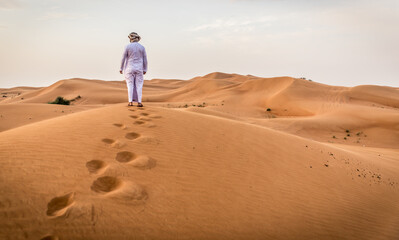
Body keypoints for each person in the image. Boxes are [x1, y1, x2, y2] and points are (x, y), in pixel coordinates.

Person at [120, 32, 148, 107]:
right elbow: (145, 59)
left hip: (129, 68)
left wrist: (121, 68)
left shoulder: (127, 46)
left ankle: (130, 102)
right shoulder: (142, 47)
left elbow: (123, 58)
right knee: (139, 85)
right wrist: (145, 69)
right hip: (139, 68)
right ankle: (139, 102)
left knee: (130, 85)